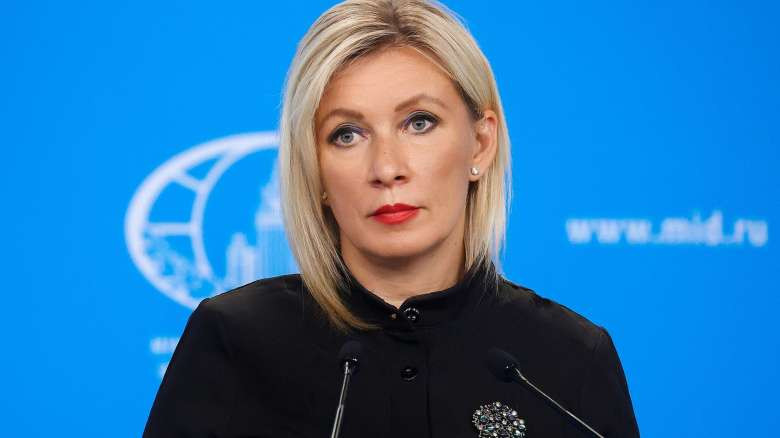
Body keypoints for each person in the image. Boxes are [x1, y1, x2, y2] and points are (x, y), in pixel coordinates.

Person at [142, 0, 640, 437]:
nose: (386, 168)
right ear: (315, 170)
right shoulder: (232, 341)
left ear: (481, 143)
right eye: (347, 134)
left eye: (419, 123)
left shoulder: (571, 358)